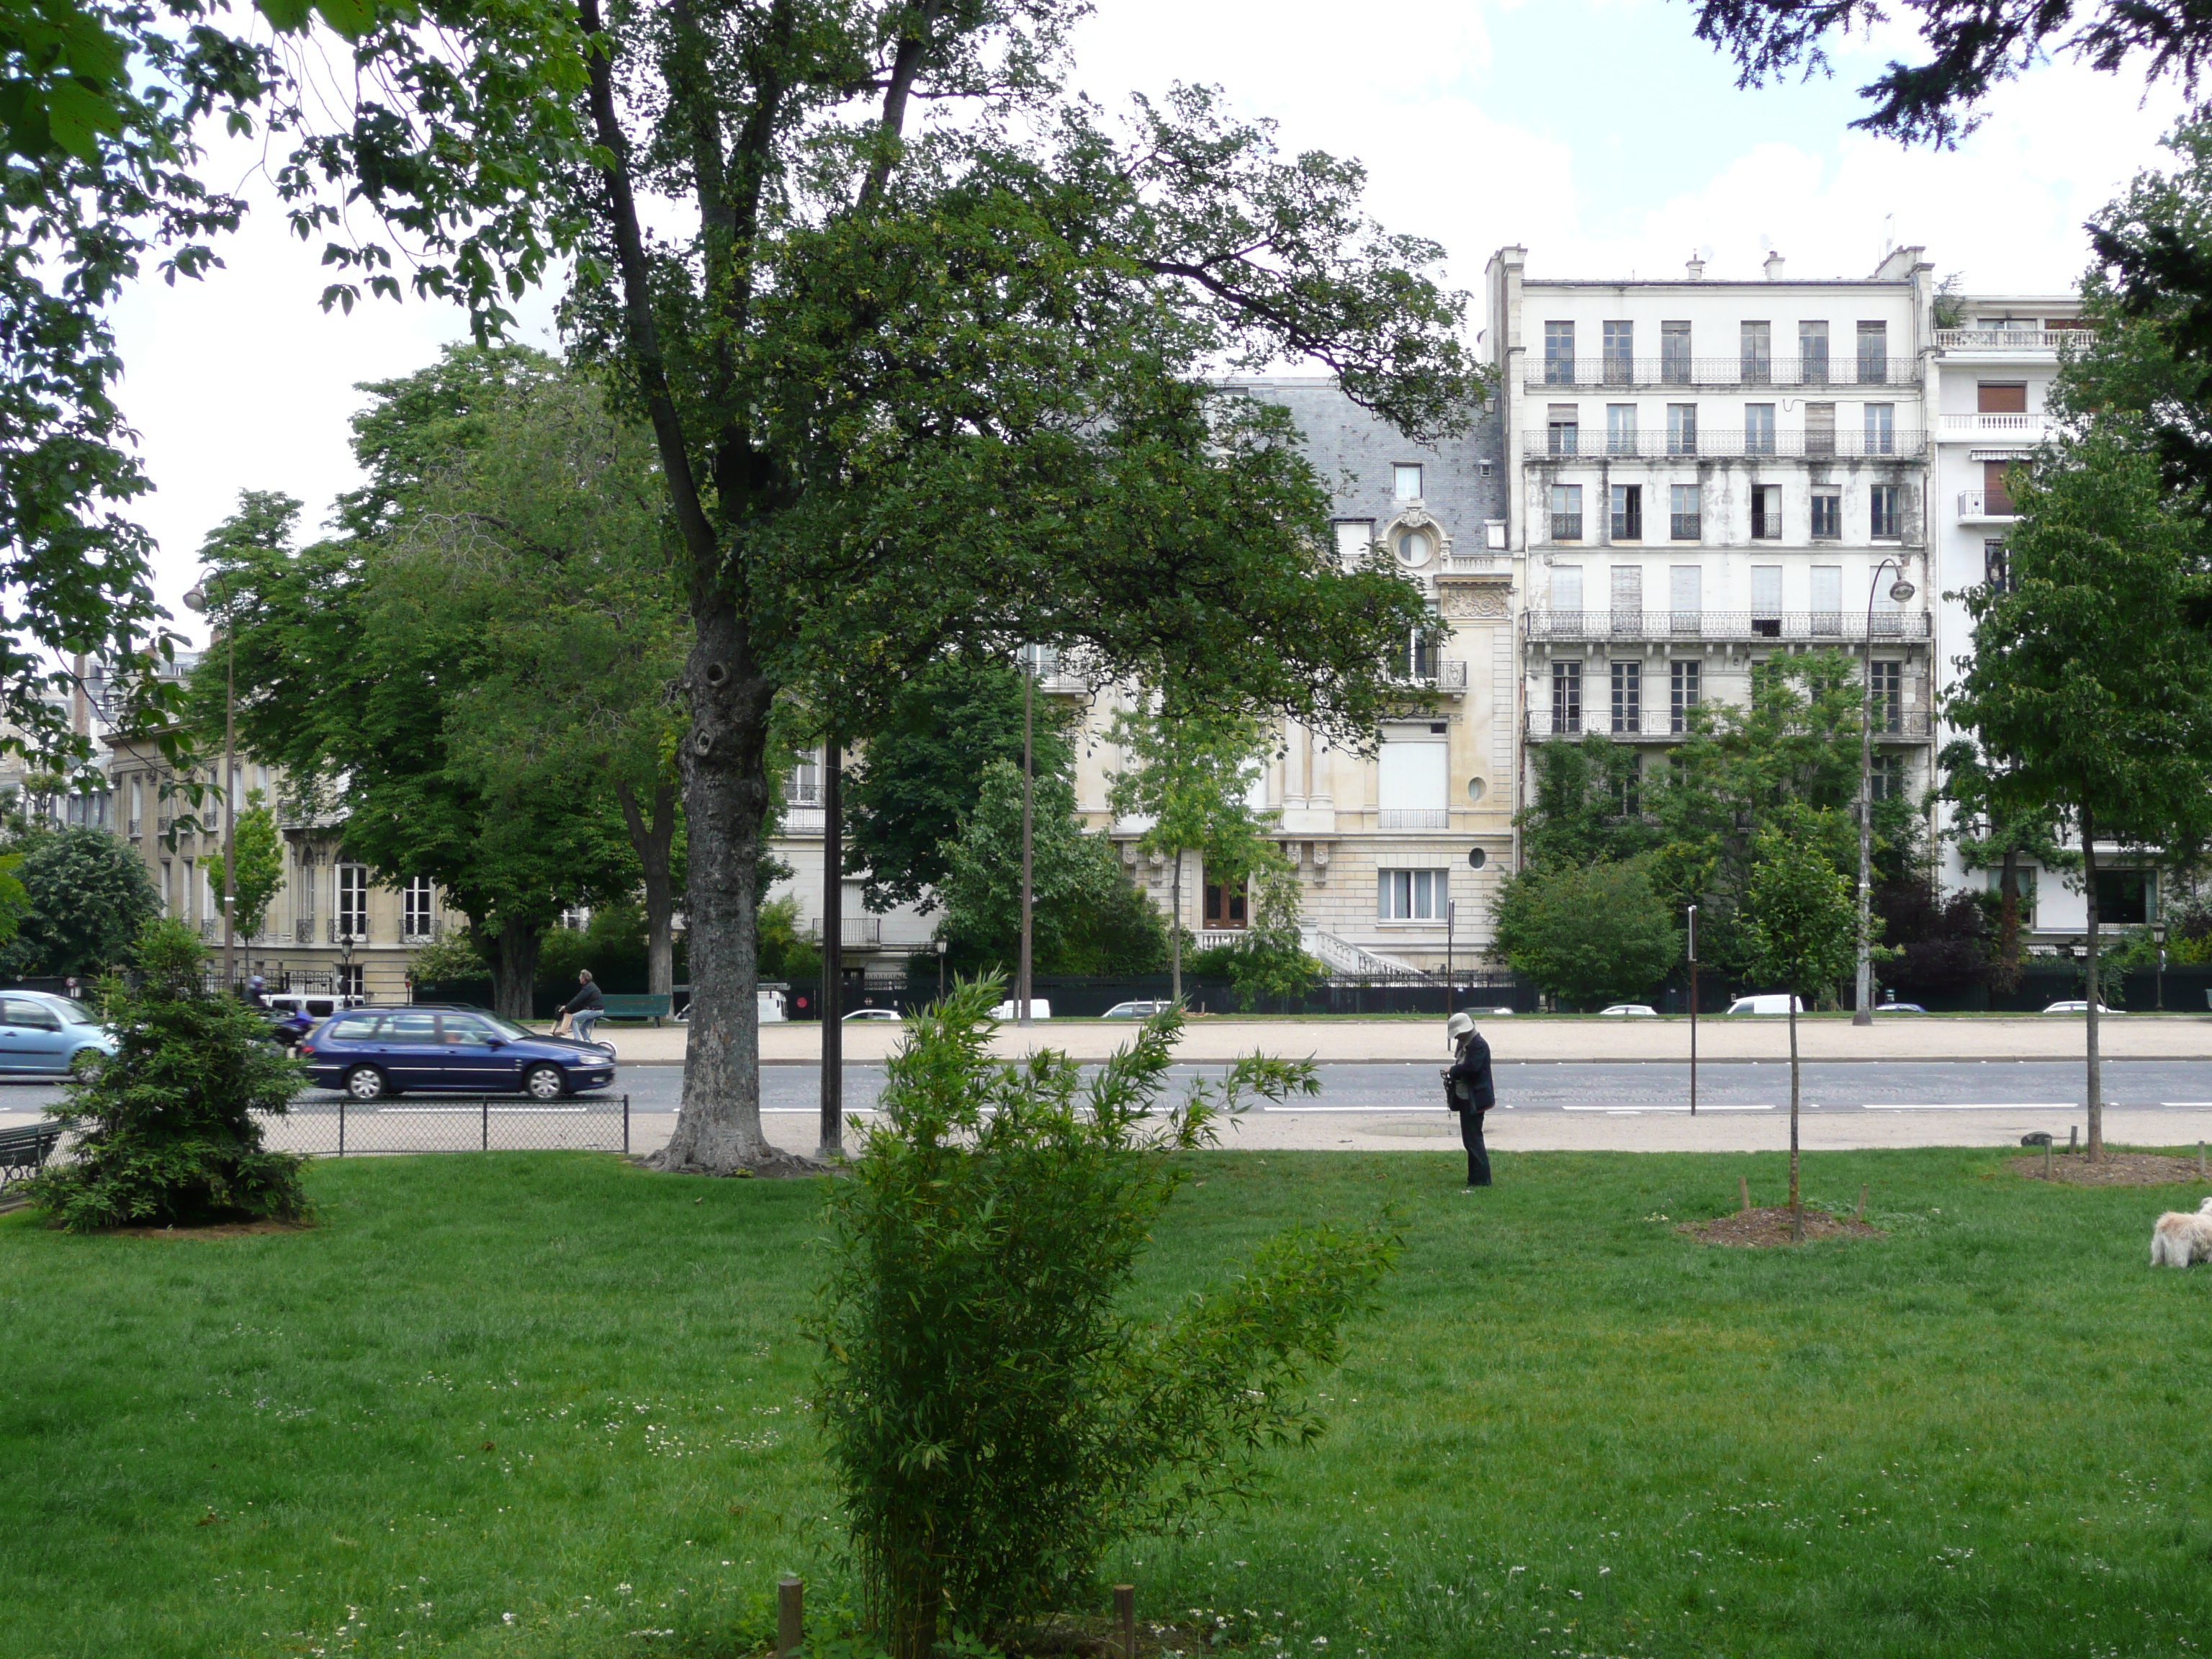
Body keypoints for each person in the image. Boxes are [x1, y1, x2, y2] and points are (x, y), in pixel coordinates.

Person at [1443, 1010, 1495, 1189]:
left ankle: (1482, 1179)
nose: (1457, 1038)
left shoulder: (1478, 1045)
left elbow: (1471, 1068)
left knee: (1474, 1140)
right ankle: (1474, 1178)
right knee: (1470, 1140)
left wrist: (1453, 1071)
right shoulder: (1467, 1043)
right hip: (1467, 1097)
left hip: (1475, 1099)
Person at [561, 969, 606, 1043]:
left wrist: (566, 1007)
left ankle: (577, 1040)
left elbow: (578, 999)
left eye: (580, 977)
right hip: (598, 1010)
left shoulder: (589, 988)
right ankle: (588, 1042)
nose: (579, 978)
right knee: (582, 1028)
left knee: (572, 1018)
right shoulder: (590, 986)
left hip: (594, 1010)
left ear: (584, 979)